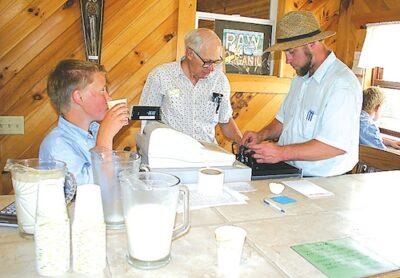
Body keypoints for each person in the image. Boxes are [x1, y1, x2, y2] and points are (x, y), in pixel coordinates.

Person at [240, 11, 362, 177]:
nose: (287, 60)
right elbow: (282, 120)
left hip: (325, 182)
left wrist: (281, 153)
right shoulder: (300, 78)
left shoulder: (341, 84)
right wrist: (261, 135)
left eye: (291, 52)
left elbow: (334, 145)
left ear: (312, 43)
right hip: (292, 173)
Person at [139, 28, 242, 143]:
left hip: (207, 155)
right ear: (189, 53)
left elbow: (225, 120)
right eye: (207, 62)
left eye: (216, 62)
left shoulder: (219, 80)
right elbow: (147, 121)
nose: (212, 68)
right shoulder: (160, 75)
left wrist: (241, 142)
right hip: (170, 156)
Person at [39, 59, 129, 185]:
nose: (109, 98)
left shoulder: (94, 130)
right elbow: (87, 191)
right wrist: (105, 137)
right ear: (79, 97)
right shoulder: (56, 145)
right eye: (102, 90)